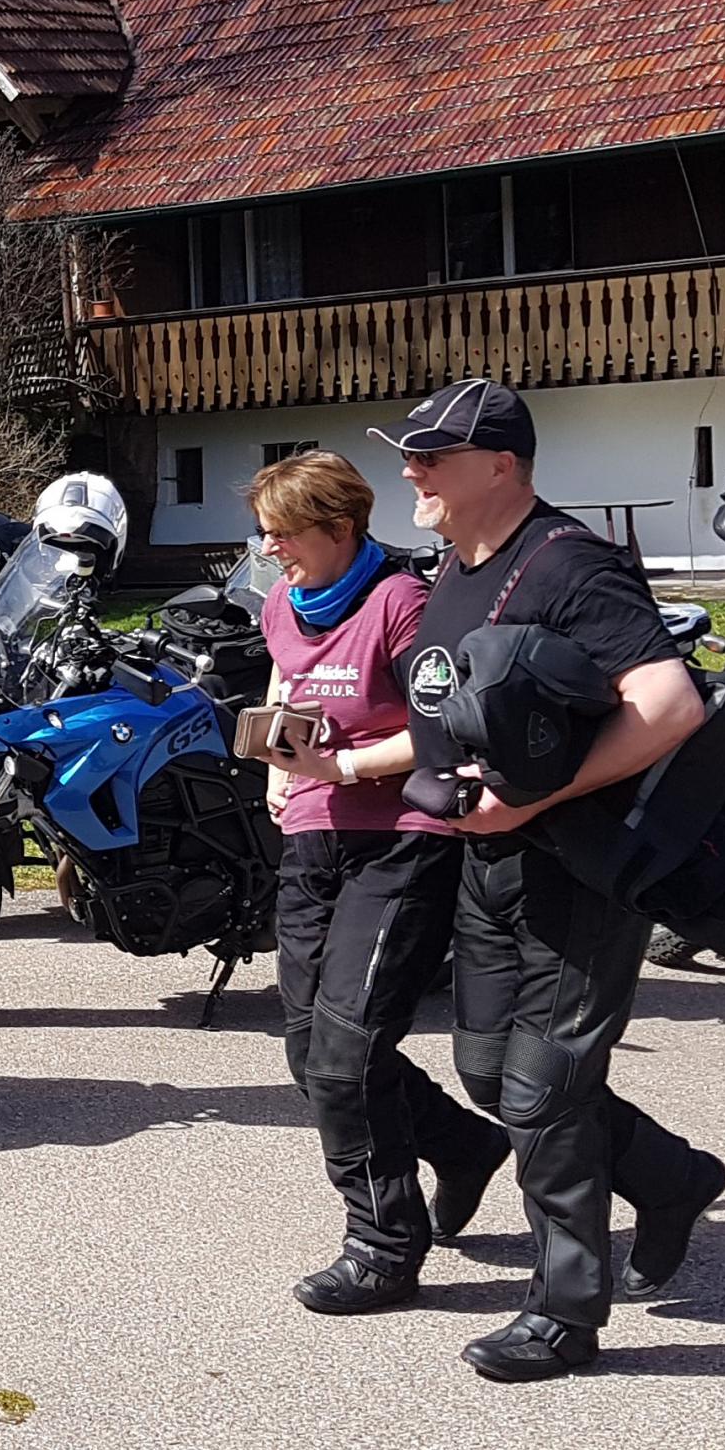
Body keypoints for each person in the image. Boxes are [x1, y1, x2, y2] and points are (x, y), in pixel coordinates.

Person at [374, 379, 725, 1383]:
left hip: (577, 869)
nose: (410, 471)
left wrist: (533, 800)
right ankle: (671, 1178)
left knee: (542, 1090)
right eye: (408, 454)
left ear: (500, 464)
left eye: (431, 457)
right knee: (490, 1075)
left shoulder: (569, 564)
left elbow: (668, 703)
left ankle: (563, 1313)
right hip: (487, 861)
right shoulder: (457, 567)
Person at [249, 451, 515, 1319]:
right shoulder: (284, 603)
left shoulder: (402, 603)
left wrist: (346, 765)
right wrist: (279, 763)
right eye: (265, 535)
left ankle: (383, 1248)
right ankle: (464, 1145)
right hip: (312, 836)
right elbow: (287, 676)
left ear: (339, 528)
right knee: (309, 1055)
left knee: (346, 1056)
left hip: (401, 841)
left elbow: (441, 729)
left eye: (284, 535)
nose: (271, 550)